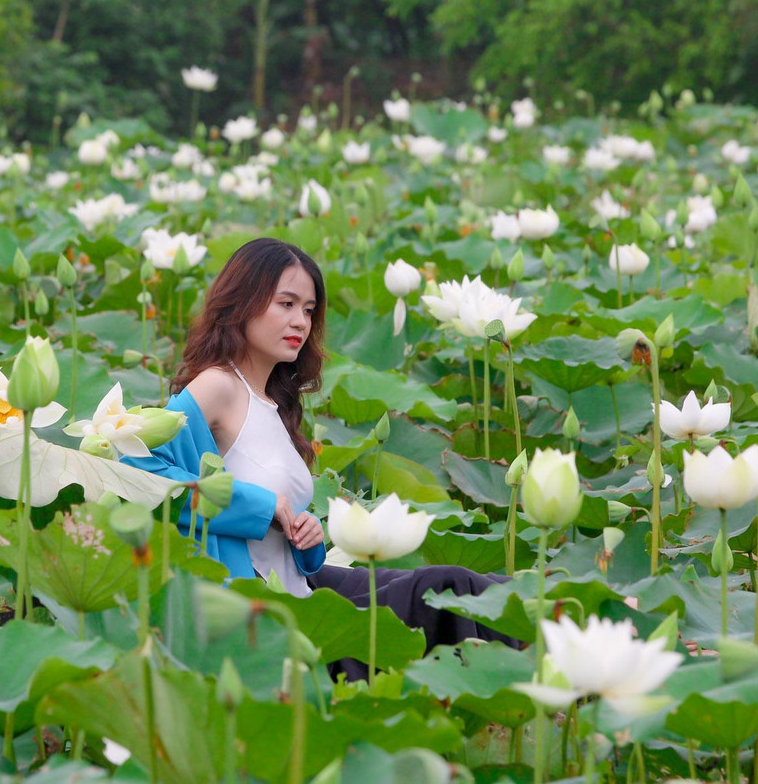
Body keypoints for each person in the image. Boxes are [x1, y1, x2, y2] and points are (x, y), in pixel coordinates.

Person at [121, 237, 517, 677]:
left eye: (308, 310)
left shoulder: (274, 403)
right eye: (286, 304)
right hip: (260, 615)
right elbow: (140, 476)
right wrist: (263, 507)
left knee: (473, 587)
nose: (300, 322)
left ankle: (556, 661)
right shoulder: (218, 387)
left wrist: (306, 537)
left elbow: (287, 545)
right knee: (443, 588)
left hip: (304, 582)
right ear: (242, 303)